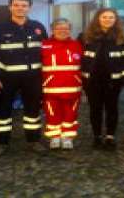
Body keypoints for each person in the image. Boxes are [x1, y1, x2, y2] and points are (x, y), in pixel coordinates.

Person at [0, 0, 48, 156]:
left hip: (33, 77)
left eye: (24, 5)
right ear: (10, 7)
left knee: (33, 111)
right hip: (6, 77)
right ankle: (1, 143)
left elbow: (45, 53)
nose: (20, 8)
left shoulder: (38, 27)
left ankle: (33, 141)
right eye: (17, 5)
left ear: (29, 8)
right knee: (2, 112)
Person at [81, 8, 124, 150]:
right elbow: (80, 58)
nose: (108, 20)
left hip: (113, 80)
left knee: (112, 109)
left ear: (116, 20)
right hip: (92, 80)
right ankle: (97, 136)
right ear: (98, 18)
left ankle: (110, 136)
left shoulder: (122, 36)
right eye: (104, 17)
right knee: (95, 109)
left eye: (111, 17)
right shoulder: (86, 36)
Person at [41, 18, 82, 150]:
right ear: (52, 30)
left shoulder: (77, 45)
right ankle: (55, 137)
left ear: (70, 30)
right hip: (51, 88)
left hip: (72, 88)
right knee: (52, 113)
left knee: (71, 113)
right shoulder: (44, 45)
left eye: (66, 29)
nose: (62, 31)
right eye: (59, 28)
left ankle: (67, 137)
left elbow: (83, 65)